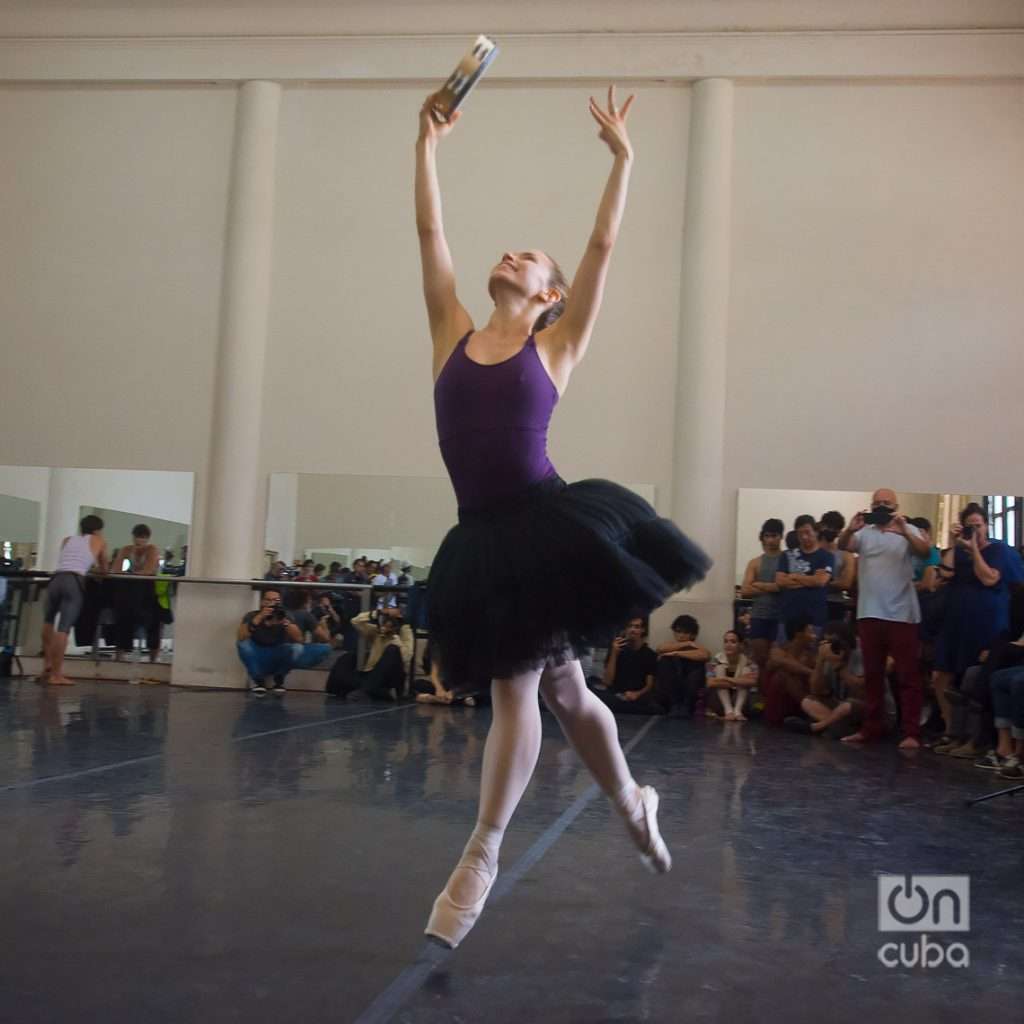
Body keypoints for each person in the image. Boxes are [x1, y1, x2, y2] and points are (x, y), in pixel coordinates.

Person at [416, 85, 710, 948]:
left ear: (551, 293)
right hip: (481, 535)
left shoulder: (556, 345)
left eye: (531, 257)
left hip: (545, 524)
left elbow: (603, 243)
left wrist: (624, 160)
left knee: (522, 689)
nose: (512, 254)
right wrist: (425, 141)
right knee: (569, 687)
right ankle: (631, 798)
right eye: (510, 249)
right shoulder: (452, 333)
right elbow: (429, 235)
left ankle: (483, 850)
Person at [836, 489, 931, 749]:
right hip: (869, 612)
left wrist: (904, 531)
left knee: (907, 676)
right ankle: (872, 728)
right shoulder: (864, 533)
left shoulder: (907, 528)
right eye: (877, 504)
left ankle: (911, 732)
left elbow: (924, 552)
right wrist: (849, 528)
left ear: (896, 506)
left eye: (886, 504)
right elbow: (843, 545)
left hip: (902, 613)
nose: (881, 507)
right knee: (873, 676)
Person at [931, 502, 1024, 743]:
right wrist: (954, 544)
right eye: (970, 526)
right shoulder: (960, 550)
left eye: (978, 525)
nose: (975, 530)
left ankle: (977, 737)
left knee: (975, 676)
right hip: (956, 622)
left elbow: (989, 578)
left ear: (987, 525)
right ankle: (952, 730)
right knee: (941, 674)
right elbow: (945, 574)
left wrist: (974, 550)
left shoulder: (999, 550)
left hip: (987, 623)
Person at [40, 515, 108, 686]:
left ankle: (47, 666)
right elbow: (104, 568)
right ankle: (56, 675)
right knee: (63, 629)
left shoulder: (67, 540)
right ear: (97, 530)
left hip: (56, 579)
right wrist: (96, 569)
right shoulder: (98, 540)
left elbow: (68, 558)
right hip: (73, 581)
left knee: (48, 621)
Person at [236, 589, 332, 696]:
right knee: (243, 645)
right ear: (262, 602)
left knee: (297, 648)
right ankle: (259, 681)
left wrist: (285, 623)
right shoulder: (252, 615)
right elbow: (241, 637)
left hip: (278, 652)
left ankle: (279, 678)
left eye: (276, 600)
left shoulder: (286, 615)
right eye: (268, 600)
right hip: (259, 653)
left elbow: (299, 639)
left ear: (280, 603)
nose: (272, 603)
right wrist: (259, 617)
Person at [325, 607, 414, 701]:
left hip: (389, 678)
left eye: (392, 622)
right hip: (371, 675)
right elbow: (355, 621)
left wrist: (394, 637)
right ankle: (373, 691)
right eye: (387, 620)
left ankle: (370, 690)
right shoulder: (377, 632)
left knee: (393, 650)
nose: (388, 624)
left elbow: (406, 657)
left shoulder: (406, 632)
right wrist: (377, 613)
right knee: (347, 657)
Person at [775, 515, 834, 637]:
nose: (804, 537)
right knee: (784, 652)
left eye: (807, 532)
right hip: (788, 616)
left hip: (815, 617)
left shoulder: (826, 556)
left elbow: (821, 581)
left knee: (812, 654)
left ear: (816, 532)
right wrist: (811, 579)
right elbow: (780, 581)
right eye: (800, 533)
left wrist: (794, 576)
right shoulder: (787, 555)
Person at [110, 524, 161, 663]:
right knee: (122, 619)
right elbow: (115, 569)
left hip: (146, 591)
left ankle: (153, 658)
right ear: (133, 537)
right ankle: (119, 654)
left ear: (148, 538)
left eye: (143, 538)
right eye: (138, 537)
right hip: (129, 590)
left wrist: (132, 573)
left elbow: (149, 570)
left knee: (153, 622)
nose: (140, 541)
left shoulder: (152, 549)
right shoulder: (126, 549)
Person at [739, 518, 784, 669]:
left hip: (781, 617)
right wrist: (773, 586)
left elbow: (785, 587)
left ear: (781, 536)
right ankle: (762, 692)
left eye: (774, 536)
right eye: (767, 536)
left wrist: (759, 585)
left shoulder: (787, 560)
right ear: (762, 537)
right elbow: (745, 590)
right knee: (761, 660)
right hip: (759, 616)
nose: (771, 540)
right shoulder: (755, 563)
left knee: (777, 661)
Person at [594, 616, 660, 714]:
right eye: (629, 626)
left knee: (653, 706)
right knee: (594, 690)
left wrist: (637, 694)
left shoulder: (650, 654)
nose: (632, 630)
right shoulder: (616, 649)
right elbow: (607, 681)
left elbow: (649, 685)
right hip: (615, 694)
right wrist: (614, 654)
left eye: (636, 627)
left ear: (643, 630)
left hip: (637, 696)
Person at [653, 615, 712, 718]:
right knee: (664, 661)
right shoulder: (670, 646)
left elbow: (706, 655)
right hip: (672, 691)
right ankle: (674, 705)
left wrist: (678, 653)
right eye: (678, 631)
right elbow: (659, 649)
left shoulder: (695, 648)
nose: (681, 635)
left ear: (692, 635)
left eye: (685, 632)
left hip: (689, 692)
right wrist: (682, 646)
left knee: (698, 664)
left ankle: (686, 706)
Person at [705, 630, 758, 721]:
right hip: (719, 702)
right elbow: (710, 682)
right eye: (726, 641)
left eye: (733, 642)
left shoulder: (748, 661)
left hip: (741, 701)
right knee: (719, 668)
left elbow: (753, 681)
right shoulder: (717, 659)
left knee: (746, 670)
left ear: (740, 645)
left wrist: (725, 679)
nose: (728, 645)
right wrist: (740, 681)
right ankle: (728, 711)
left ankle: (737, 711)